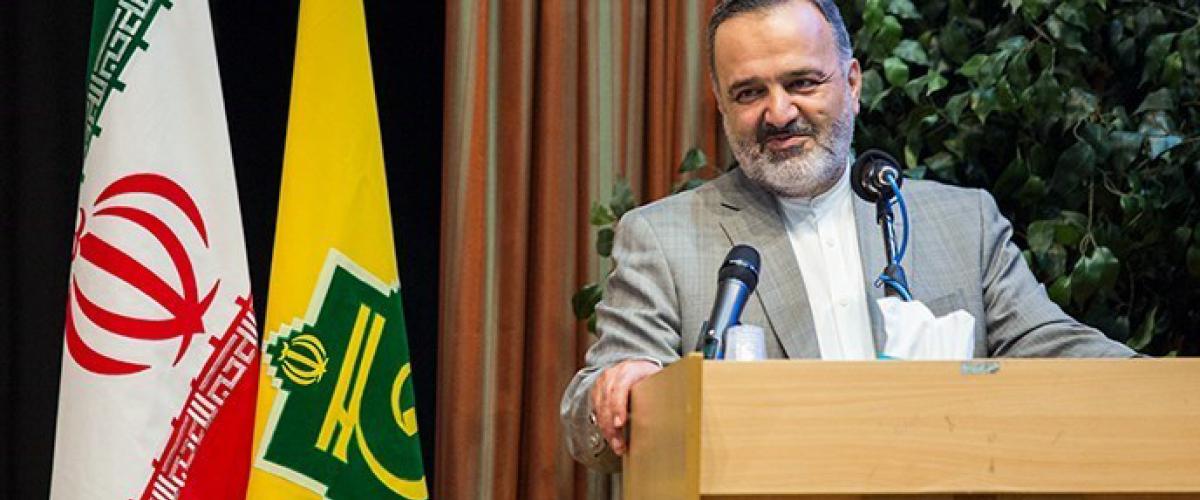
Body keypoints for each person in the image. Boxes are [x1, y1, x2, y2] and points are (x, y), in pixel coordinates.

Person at [560, 0, 1136, 473]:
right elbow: (589, 412)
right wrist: (623, 388)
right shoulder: (662, 237)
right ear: (721, 104)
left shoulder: (964, 222)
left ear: (853, 84)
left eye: (802, 82)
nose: (778, 112)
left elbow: (1055, 347)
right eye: (749, 93)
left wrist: (1166, 388)